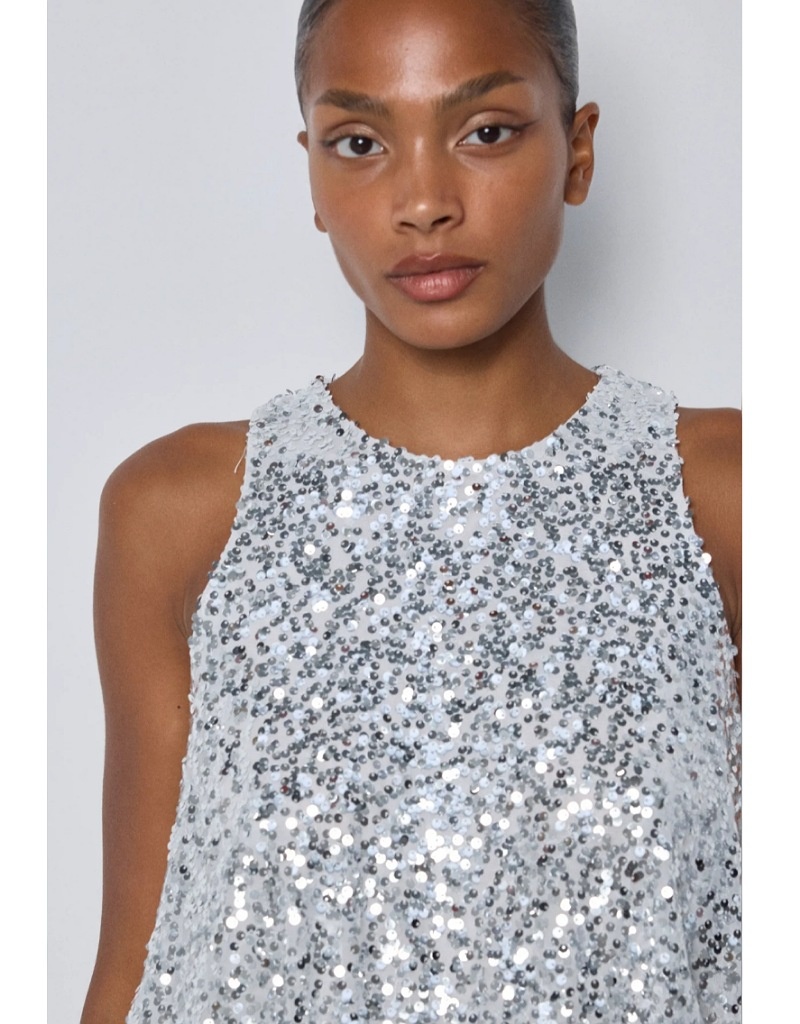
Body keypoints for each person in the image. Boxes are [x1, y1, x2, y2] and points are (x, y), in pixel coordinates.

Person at [80, 1, 741, 1021]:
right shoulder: (180, 510)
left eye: (485, 131)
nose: (424, 201)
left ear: (576, 150)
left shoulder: (728, 493)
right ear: (311, 173)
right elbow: (137, 967)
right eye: (359, 142)